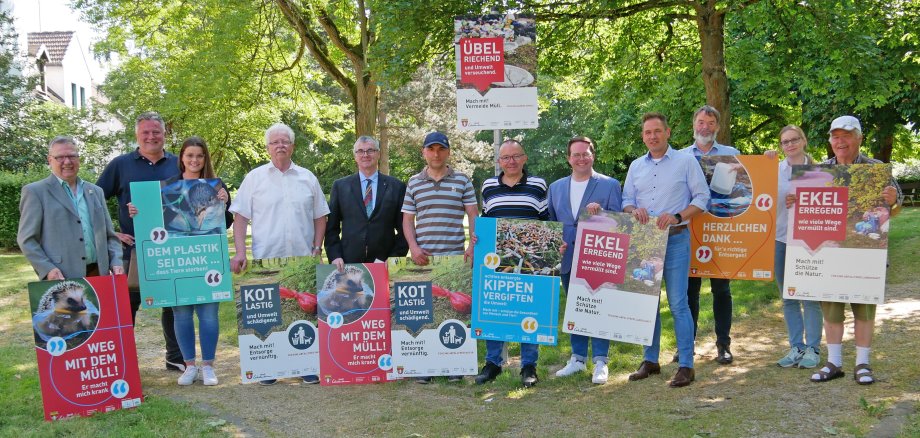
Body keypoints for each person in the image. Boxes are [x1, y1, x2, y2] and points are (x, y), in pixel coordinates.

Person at [803, 116, 902, 385]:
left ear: (859, 137)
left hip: (865, 252)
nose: (839, 141)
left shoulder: (877, 169)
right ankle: (834, 362)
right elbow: (805, 207)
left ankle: (863, 364)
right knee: (832, 311)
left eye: (845, 135)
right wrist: (795, 198)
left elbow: (896, 207)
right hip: (830, 252)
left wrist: (893, 202)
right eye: (835, 136)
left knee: (864, 310)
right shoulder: (819, 170)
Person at [229, 123, 329, 385]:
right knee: (269, 313)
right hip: (266, 258)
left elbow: (321, 217)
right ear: (268, 147)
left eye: (285, 141)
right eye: (275, 142)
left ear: (293, 146)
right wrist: (241, 251)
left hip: (301, 258)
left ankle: (305, 364)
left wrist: (317, 248)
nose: (280, 145)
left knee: (303, 311)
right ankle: (269, 368)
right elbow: (240, 217)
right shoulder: (254, 178)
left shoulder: (308, 178)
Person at [128, 137, 231, 386]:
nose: (194, 160)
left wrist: (225, 203)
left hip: (206, 261)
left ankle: (208, 366)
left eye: (200, 156)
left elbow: (224, 224)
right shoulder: (166, 187)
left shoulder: (216, 187)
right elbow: (153, 221)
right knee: (181, 314)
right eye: (190, 155)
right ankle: (189, 366)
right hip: (178, 262)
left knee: (209, 314)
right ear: (181, 158)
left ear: (205, 159)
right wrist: (137, 210)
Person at [623, 113, 709, 388]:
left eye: (657, 131)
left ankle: (686, 365)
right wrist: (633, 210)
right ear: (643, 136)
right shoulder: (636, 166)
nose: (652, 136)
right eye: (648, 132)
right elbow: (626, 201)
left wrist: (677, 215)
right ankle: (650, 360)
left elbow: (702, 198)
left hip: (676, 240)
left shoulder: (686, 161)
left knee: (678, 303)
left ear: (668, 132)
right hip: (645, 243)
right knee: (647, 303)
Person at [96, 112, 184, 372]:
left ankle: (175, 357)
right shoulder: (120, 165)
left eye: (156, 131)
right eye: (145, 132)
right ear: (136, 135)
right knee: (126, 306)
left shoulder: (179, 163)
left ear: (164, 134)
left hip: (171, 249)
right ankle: (122, 362)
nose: (151, 136)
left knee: (172, 304)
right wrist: (112, 232)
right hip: (132, 249)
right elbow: (94, 201)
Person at [402, 131, 478, 384]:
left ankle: (454, 363)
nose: (436, 154)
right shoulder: (414, 182)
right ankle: (426, 365)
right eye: (431, 149)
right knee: (426, 311)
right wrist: (413, 247)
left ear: (448, 152)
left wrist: (471, 246)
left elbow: (472, 214)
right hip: (424, 258)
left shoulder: (463, 180)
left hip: (455, 256)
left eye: (441, 149)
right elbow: (407, 220)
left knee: (456, 310)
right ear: (423, 152)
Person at [474, 139, 549, 388]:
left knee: (530, 310)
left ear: (524, 158)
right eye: (506, 157)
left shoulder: (538, 185)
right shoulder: (488, 185)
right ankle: (492, 363)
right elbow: (485, 219)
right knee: (495, 309)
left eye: (516, 156)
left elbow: (547, 220)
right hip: (497, 260)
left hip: (530, 259)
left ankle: (529, 365)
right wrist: (478, 236)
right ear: (499, 161)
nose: (511, 161)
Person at [548, 136, 622, 385]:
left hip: (597, 256)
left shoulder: (609, 184)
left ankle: (601, 360)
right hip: (568, 255)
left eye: (585, 153)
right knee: (575, 307)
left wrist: (601, 215)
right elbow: (553, 222)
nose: (581, 158)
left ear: (593, 155)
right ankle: (577, 359)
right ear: (569, 158)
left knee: (598, 306)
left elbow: (619, 222)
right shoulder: (556, 187)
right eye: (576, 154)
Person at [680, 105, 740, 365]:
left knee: (721, 290)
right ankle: (687, 346)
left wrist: (770, 159)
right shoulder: (680, 156)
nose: (705, 127)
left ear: (718, 126)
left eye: (711, 122)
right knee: (689, 292)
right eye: (701, 122)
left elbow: (749, 183)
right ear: (694, 124)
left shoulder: (733, 155)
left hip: (720, 230)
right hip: (689, 229)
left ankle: (723, 345)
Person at [19, 136, 124, 280]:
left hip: (99, 275)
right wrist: (47, 269)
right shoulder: (35, 192)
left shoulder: (95, 191)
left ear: (78, 158)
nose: (67, 161)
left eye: (71, 156)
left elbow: (109, 236)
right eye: (60, 157)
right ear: (50, 160)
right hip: (61, 276)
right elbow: (27, 240)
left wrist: (116, 260)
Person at [768, 126, 823, 369]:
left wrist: (804, 200)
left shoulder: (819, 170)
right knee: (788, 296)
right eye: (785, 142)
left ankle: (813, 347)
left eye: (794, 140)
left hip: (809, 240)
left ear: (804, 141)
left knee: (810, 296)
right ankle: (796, 347)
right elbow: (764, 199)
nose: (790, 145)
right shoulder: (775, 170)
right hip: (780, 238)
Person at [325, 136, 408, 270]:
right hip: (348, 263)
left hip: (385, 263)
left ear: (379, 154)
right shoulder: (340, 186)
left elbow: (405, 228)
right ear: (355, 156)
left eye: (370, 150)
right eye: (360, 151)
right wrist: (335, 255)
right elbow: (331, 229)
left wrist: (395, 257)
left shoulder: (396, 187)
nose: (365, 155)